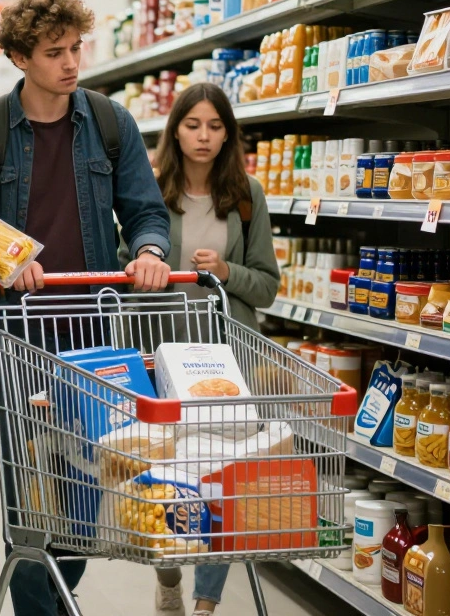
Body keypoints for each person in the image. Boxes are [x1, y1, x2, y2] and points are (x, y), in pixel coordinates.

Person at [0, 0, 172, 616]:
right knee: (28, 489)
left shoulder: (109, 123)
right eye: (54, 52)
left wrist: (149, 251)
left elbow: (146, 211)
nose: (71, 63)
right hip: (20, 338)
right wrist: (2, 266)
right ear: (20, 57)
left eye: (76, 48)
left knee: (87, 486)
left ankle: (57, 594)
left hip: (97, 327)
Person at [125, 82, 279, 616]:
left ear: (229, 134)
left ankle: (207, 605)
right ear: (175, 131)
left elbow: (266, 285)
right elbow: (125, 269)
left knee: (220, 482)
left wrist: (226, 271)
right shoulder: (150, 190)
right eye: (193, 125)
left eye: (216, 127)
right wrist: (145, 271)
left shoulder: (245, 195)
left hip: (228, 362)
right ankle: (168, 576)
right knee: (165, 478)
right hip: (159, 354)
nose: (204, 136)